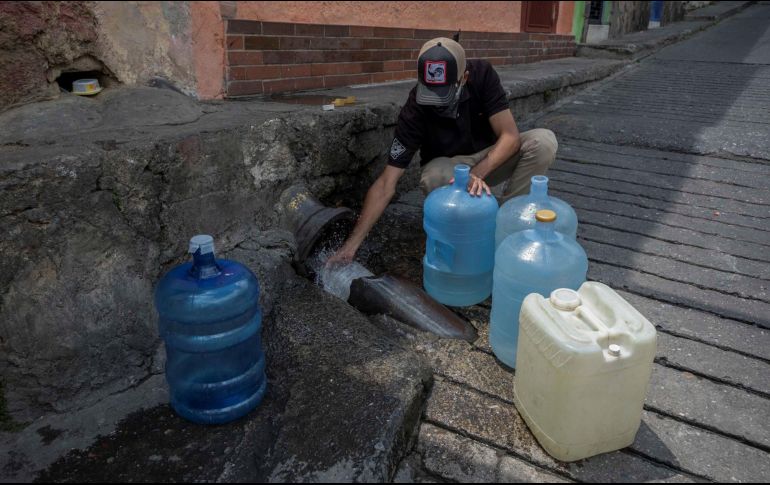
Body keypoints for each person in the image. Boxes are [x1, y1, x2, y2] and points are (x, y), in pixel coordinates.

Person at [327, 37, 557, 266]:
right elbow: (387, 182)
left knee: (543, 142)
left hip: (491, 157)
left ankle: (508, 223)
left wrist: (475, 174)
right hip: (449, 172)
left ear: (464, 77)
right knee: (433, 176)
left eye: (445, 92)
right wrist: (350, 247)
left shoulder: (482, 75)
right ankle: (460, 234)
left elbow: (510, 137)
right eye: (430, 91)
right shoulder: (414, 109)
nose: (437, 101)